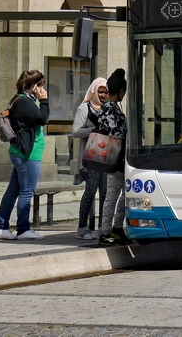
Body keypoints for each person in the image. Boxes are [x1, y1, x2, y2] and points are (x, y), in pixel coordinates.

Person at [0, 69, 50, 241]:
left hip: (22, 152)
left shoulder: (21, 100)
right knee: (27, 191)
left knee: (13, 190)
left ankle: (1, 226)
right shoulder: (25, 102)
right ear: (34, 86)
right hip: (28, 154)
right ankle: (23, 228)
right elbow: (42, 118)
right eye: (40, 85)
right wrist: (45, 101)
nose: (42, 89)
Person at [94, 68, 129, 247]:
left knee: (124, 194)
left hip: (120, 158)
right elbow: (114, 132)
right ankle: (105, 231)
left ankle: (116, 227)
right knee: (113, 194)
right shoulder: (109, 107)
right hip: (113, 158)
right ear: (121, 91)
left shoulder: (112, 106)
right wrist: (127, 127)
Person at [72, 77, 109, 240]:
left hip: (107, 156)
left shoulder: (109, 109)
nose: (103, 95)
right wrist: (95, 130)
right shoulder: (84, 108)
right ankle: (82, 227)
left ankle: (103, 226)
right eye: (100, 91)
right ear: (93, 91)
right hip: (91, 156)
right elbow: (76, 132)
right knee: (90, 190)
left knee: (105, 192)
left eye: (105, 92)